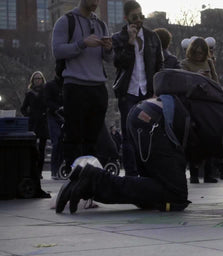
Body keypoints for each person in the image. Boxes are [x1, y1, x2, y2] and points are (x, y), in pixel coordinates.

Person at [55, 69, 223, 214]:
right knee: (174, 195)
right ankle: (92, 180)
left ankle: (85, 179)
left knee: (156, 193)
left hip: (143, 116)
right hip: (156, 124)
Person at [51, 0, 113, 173]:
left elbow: (109, 59)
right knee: (74, 139)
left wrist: (108, 49)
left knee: (94, 141)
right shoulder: (66, 21)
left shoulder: (101, 24)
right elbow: (58, 51)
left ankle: (91, 187)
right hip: (75, 87)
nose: (96, 2)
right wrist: (82, 43)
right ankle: (75, 186)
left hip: (99, 87)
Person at [112, 0, 164, 177]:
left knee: (149, 133)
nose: (139, 20)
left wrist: (158, 90)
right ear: (126, 18)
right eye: (135, 16)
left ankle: (148, 173)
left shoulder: (152, 37)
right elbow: (119, 63)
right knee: (128, 134)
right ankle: (131, 175)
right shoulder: (119, 38)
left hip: (148, 93)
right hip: (128, 92)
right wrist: (130, 42)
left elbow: (159, 65)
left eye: (141, 15)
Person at [180, 37, 220, 183]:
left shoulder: (209, 63)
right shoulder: (184, 64)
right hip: (192, 104)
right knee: (193, 140)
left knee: (209, 137)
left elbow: (216, 82)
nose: (199, 55)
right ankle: (194, 173)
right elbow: (182, 84)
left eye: (201, 53)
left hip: (208, 103)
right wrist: (195, 77)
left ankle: (209, 173)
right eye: (196, 53)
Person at [21, 71, 49, 180]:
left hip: (43, 123)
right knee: (32, 149)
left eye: (39, 78)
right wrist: (29, 116)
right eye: (36, 78)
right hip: (33, 124)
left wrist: (46, 114)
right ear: (32, 80)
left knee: (42, 149)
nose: (38, 80)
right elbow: (23, 108)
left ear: (42, 80)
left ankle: (39, 172)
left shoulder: (45, 92)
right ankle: (32, 170)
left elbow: (49, 105)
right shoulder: (30, 94)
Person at [44, 75, 64, 180]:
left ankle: (58, 169)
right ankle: (54, 170)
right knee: (56, 142)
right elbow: (47, 101)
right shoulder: (50, 85)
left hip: (63, 115)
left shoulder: (66, 85)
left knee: (62, 142)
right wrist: (57, 107)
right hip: (53, 115)